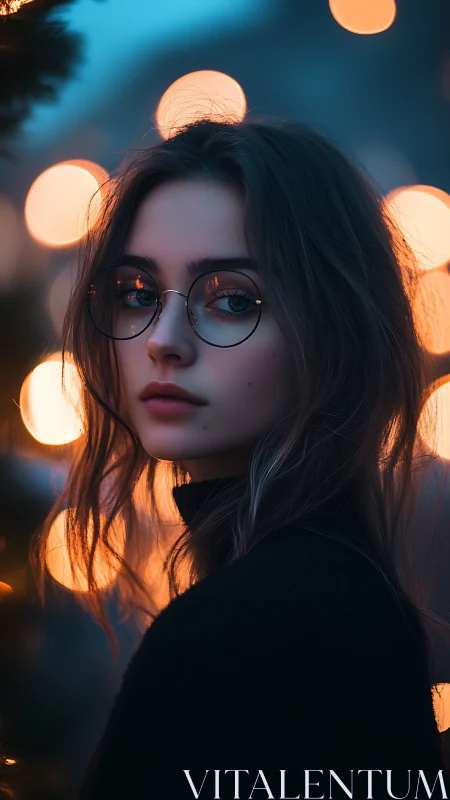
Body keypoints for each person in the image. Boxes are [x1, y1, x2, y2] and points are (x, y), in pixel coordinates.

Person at [30, 118, 449, 799]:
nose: (163, 340)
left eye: (231, 300)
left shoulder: (245, 631)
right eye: (137, 292)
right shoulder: (341, 597)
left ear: (332, 331)